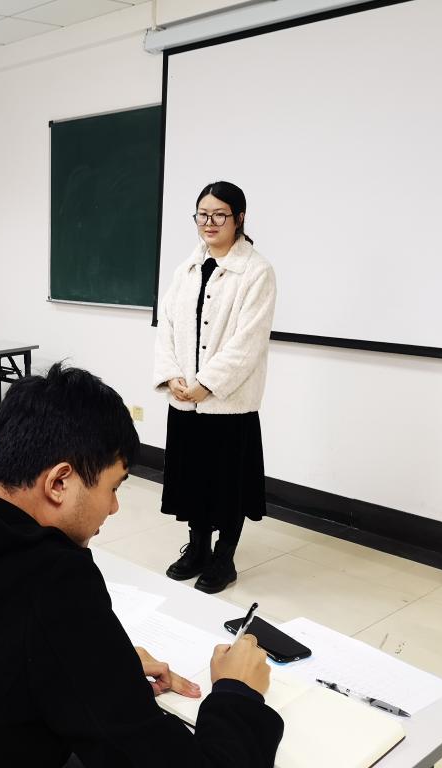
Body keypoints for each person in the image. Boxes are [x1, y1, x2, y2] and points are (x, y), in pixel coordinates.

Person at [0, 364, 283, 767]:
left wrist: (99, 662)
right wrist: (237, 693)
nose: (114, 507)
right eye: (113, 487)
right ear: (60, 482)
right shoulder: (53, 581)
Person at [153, 181, 277, 594]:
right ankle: (197, 549)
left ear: (239, 218)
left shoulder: (256, 271)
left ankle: (224, 558)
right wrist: (172, 375)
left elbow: (248, 341)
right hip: (185, 400)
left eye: (219, 214)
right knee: (193, 480)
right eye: (202, 214)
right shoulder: (186, 269)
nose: (209, 222)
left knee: (227, 485)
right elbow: (167, 326)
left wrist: (206, 384)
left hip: (228, 403)